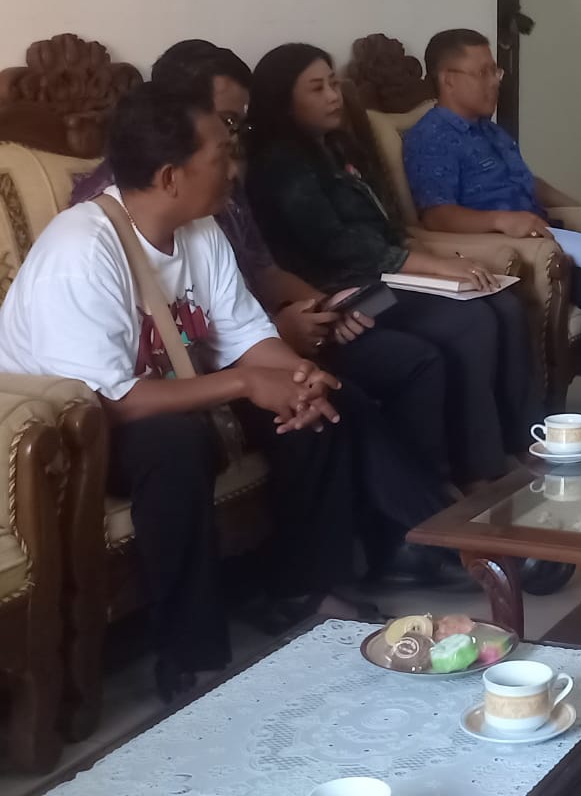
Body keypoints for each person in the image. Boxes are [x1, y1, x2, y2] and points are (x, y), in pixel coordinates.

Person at [0, 85, 409, 700]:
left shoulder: (199, 229)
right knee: (173, 445)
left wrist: (299, 376)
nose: (234, 168)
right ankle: (190, 656)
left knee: (323, 403)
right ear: (171, 176)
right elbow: (113, 400)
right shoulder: (82, 249)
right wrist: (248, 381)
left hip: (164, 391)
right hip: (68, 431)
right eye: (221, 155)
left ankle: (301, 587)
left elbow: (246, 335)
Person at [70, 44, 456, 585]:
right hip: (132, 396)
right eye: (227, 130)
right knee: (199, 438)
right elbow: (119, 385)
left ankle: (401, 545)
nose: (236, 160)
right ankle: (435, 539)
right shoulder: (99, 229)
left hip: (219, 353)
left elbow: (253, 283)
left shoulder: (205, 211)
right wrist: (265, 364)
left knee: (331, 394)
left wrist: (299, 356)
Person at [245, 43, 539, 485]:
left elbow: (386, 228)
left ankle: (519, 442)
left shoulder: (335, 147)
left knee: (504, 306)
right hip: (348, 295)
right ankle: (477, 470)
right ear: (284, 101)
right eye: (317, 89)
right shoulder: (280, 165)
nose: (333, 96)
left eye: (333, 83)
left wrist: (438, 259)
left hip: (382, 278)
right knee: (470, 322)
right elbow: (343, 245)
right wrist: (433, 267)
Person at [403, 29, 581, 416]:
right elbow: (436, 214)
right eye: (483, 72)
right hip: (515, 250)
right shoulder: (432, 138)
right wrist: (501, 221)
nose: (494, 81)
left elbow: (528, 183)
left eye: (495, 71)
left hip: (550, 234)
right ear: (448, 79)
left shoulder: (490, 130)